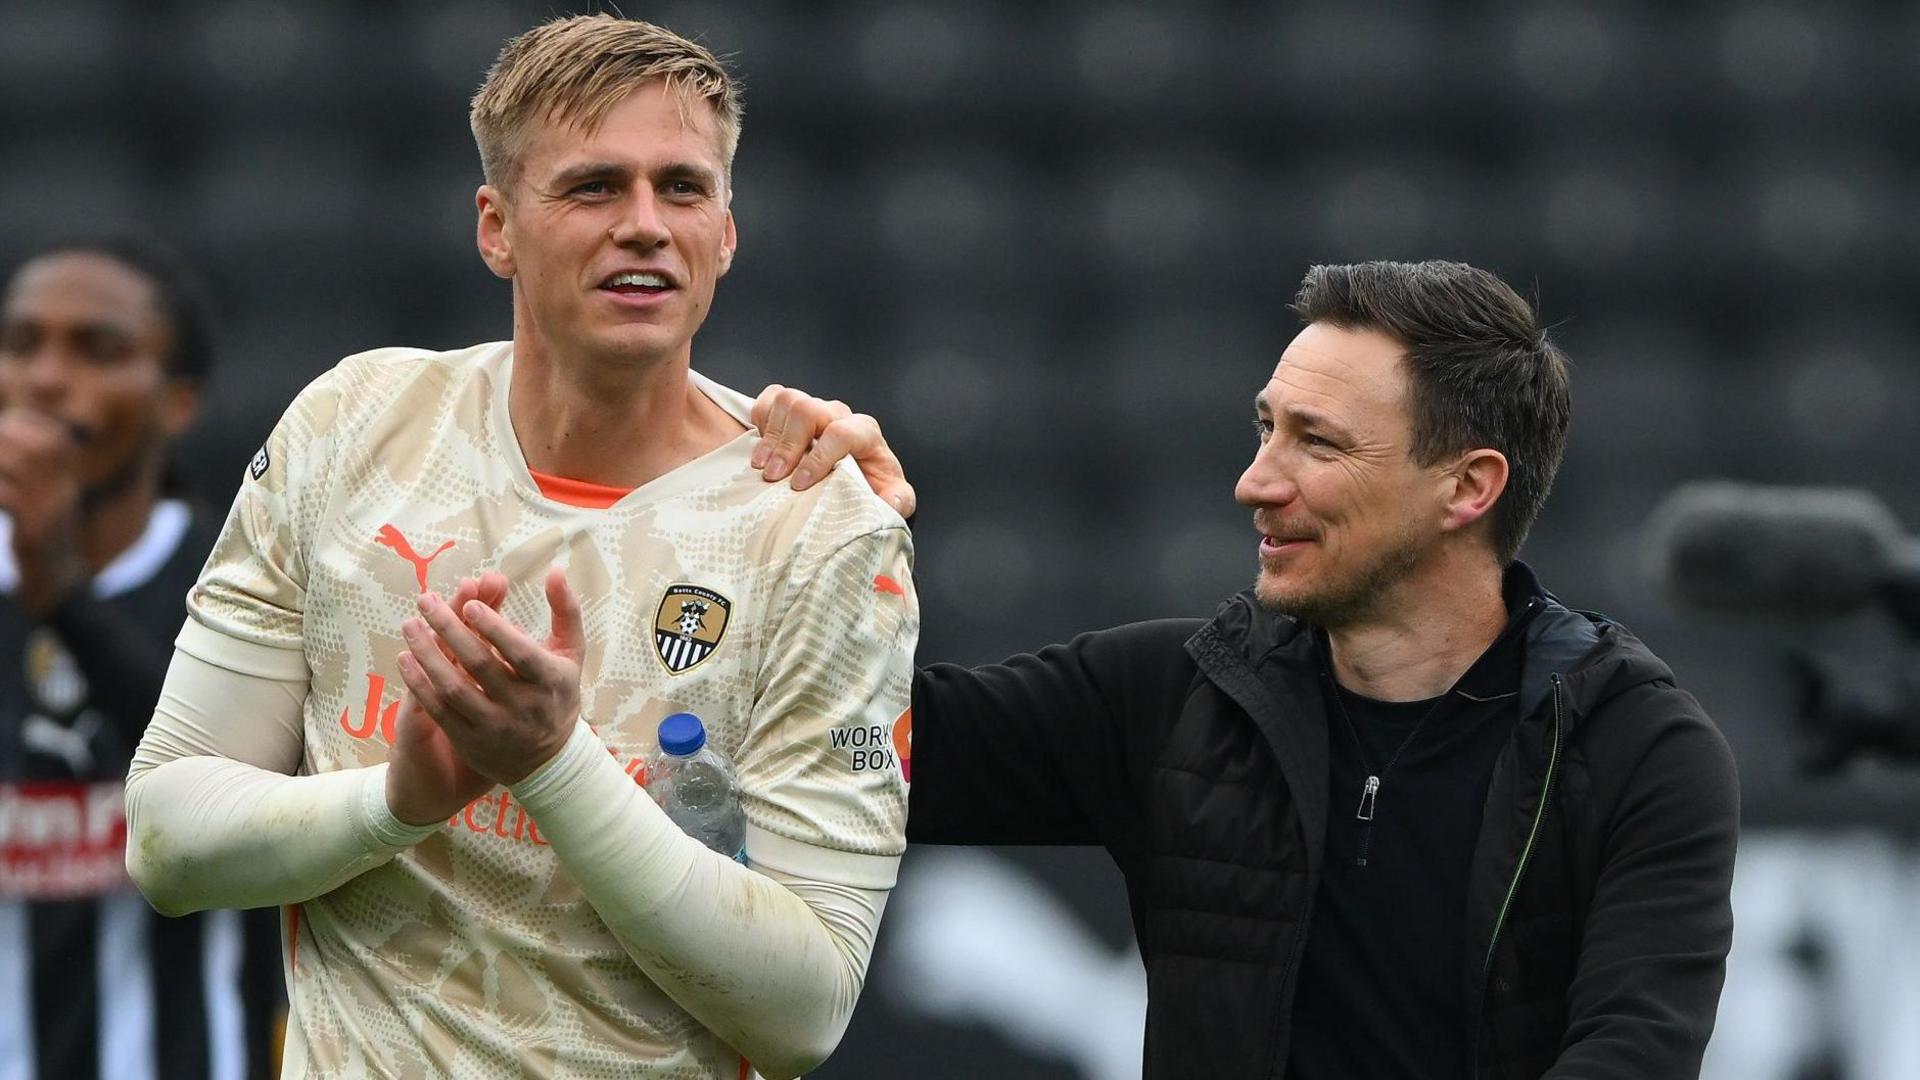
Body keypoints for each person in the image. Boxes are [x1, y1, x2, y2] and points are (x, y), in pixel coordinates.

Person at [123, 16, 917, 1080]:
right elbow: (167, 841)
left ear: (726, 233)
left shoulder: (821, 525)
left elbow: (806, 1009)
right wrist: (395, 803)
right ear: (496, 228)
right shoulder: (353, 427)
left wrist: (551, 764)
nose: (644, 224)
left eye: (683, 188)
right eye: (593, 187)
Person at [752, 260, 1740, 1079]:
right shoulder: (1172, 694)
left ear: (1468, 486)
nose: (1256, 482)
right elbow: (842, 753)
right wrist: (844, 548)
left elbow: (1631, 1061)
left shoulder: (1634, 747)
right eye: (1268, 427)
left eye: (1317, 443)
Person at [0, 237, 283, 1078]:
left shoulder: (242, 583)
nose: (48, 377)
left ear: (179, 403)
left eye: (99, 349)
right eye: (21, 345)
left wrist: (60, 590)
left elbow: (227, 795)